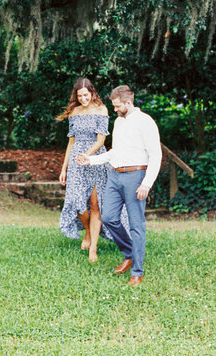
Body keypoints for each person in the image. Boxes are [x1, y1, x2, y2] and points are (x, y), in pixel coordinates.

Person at [77, 85, 161, 287]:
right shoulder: (119, 122)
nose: (114, 109)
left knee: (136, 225)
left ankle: (137, 271)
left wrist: (146, 183)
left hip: (136, 176)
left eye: (117, 106)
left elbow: (156, 154)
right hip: (115, 175)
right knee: (109, 218)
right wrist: (91, 160)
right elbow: (115, 151)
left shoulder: (145, 122)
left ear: (128, 103)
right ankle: (129, 253)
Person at [56, 77, 128, 262]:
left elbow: (101, 140)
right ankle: (87, 231)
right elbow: (71, 142)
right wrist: (64, 168)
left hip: (95, 160)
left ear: (92, 93)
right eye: (79, 96)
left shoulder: (101, 110)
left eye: (86, 95)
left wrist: (87, 156)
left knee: (95, 205)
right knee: (78, 203)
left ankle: (93, 249)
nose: (83, 99)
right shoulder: (74, 112)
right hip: (76, 162)